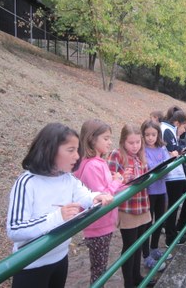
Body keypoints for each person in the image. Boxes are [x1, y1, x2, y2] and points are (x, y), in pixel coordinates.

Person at [7, 123, 113, 288]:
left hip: (60, 258)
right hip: (31, 265)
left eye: (77, 150)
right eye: (70, 150)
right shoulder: (27, 182)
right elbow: (15, 229)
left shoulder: (67, 178)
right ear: (50, 150)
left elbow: (84, 195)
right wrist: (57, 217)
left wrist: (96, 197)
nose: (77, 156)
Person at [73, 119, 125, 284]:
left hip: (101, 224)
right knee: (99, 270)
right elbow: (101, 197)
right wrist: (117, 181)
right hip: (99, 226)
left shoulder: (95, 162)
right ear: (91, 139)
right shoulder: (92, 166)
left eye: (110, 138)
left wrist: (120, 182)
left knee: (99, 267)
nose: (110, 142)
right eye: (106, 138)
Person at [107, 124, 153, 288]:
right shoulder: (116, 155)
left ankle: (137, 277)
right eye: (131, 143)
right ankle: (129, 283)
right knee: (130, 247)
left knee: (139, 243)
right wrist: (123, 180)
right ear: (122, 142)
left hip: (142, 205)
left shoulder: (140, 156)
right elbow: (109, 183)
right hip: (127, 209)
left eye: (138, 142)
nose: (135, 146)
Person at [160, 108, 186, 246]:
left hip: (177, 173)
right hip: (172, 175)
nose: (185, 130)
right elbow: (174, 149)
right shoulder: (166, 129)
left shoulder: (169, 129)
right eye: (184, 127)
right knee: (174, 205)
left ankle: (180, 227)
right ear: (177, 123)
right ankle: (171, 237)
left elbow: (177, 147)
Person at [140, 120, 171, 271]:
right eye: (147, 135)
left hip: (162, 189)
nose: (150, 137)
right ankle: (146, 255)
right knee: (147, 223)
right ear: (143, 135)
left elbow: (167, 163)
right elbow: (149, 167)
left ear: (158, 134)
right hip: (149, 192)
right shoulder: (143, 150)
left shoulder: (162, 148)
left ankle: (154, 248)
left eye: (153, 134)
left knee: (159, 220)